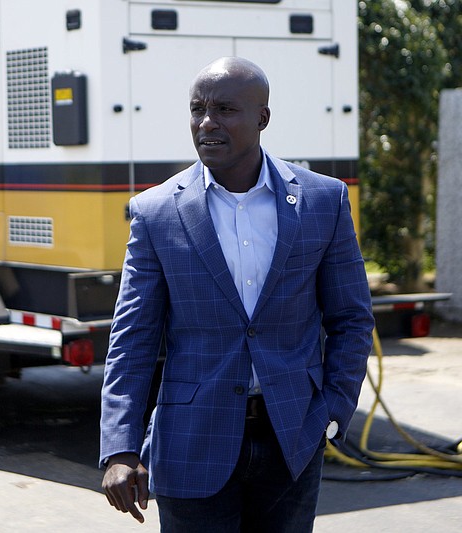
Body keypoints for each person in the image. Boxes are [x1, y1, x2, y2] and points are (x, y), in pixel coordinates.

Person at [99, 56, 374, 532]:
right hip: (190, 443)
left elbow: (352, 318)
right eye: (197, 109)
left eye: (224, 109)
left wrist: (331, 413)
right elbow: (133, 338)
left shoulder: (322, 201)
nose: (207, 122)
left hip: (292, 438)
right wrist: (120, 447)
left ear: (262, 118)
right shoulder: (156, 211)